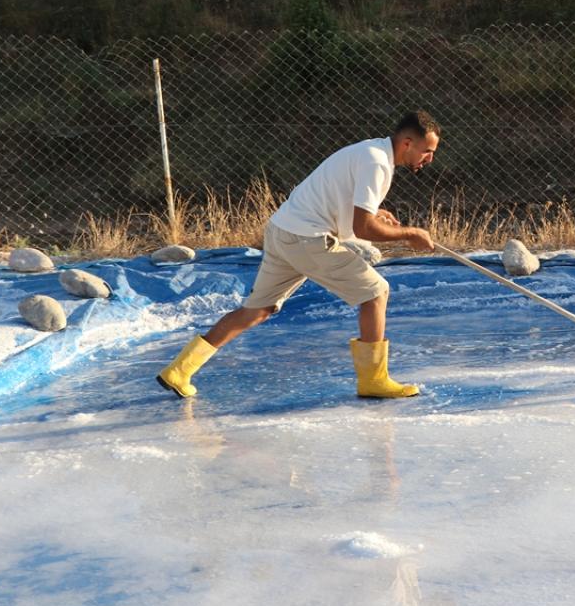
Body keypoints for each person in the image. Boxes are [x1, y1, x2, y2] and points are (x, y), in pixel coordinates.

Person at [155, 111, 440, 400]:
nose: (429, 158)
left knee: (257, 310)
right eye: (427, 151)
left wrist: (376, 212)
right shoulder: (377, 162)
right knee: (376, 292)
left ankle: (179, 370)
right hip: (307, 238)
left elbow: (341, 197)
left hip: (284, 231)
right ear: (407, 143)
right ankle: (374, 381)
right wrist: (410, 234)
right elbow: (363, 228)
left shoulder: (371, 151)